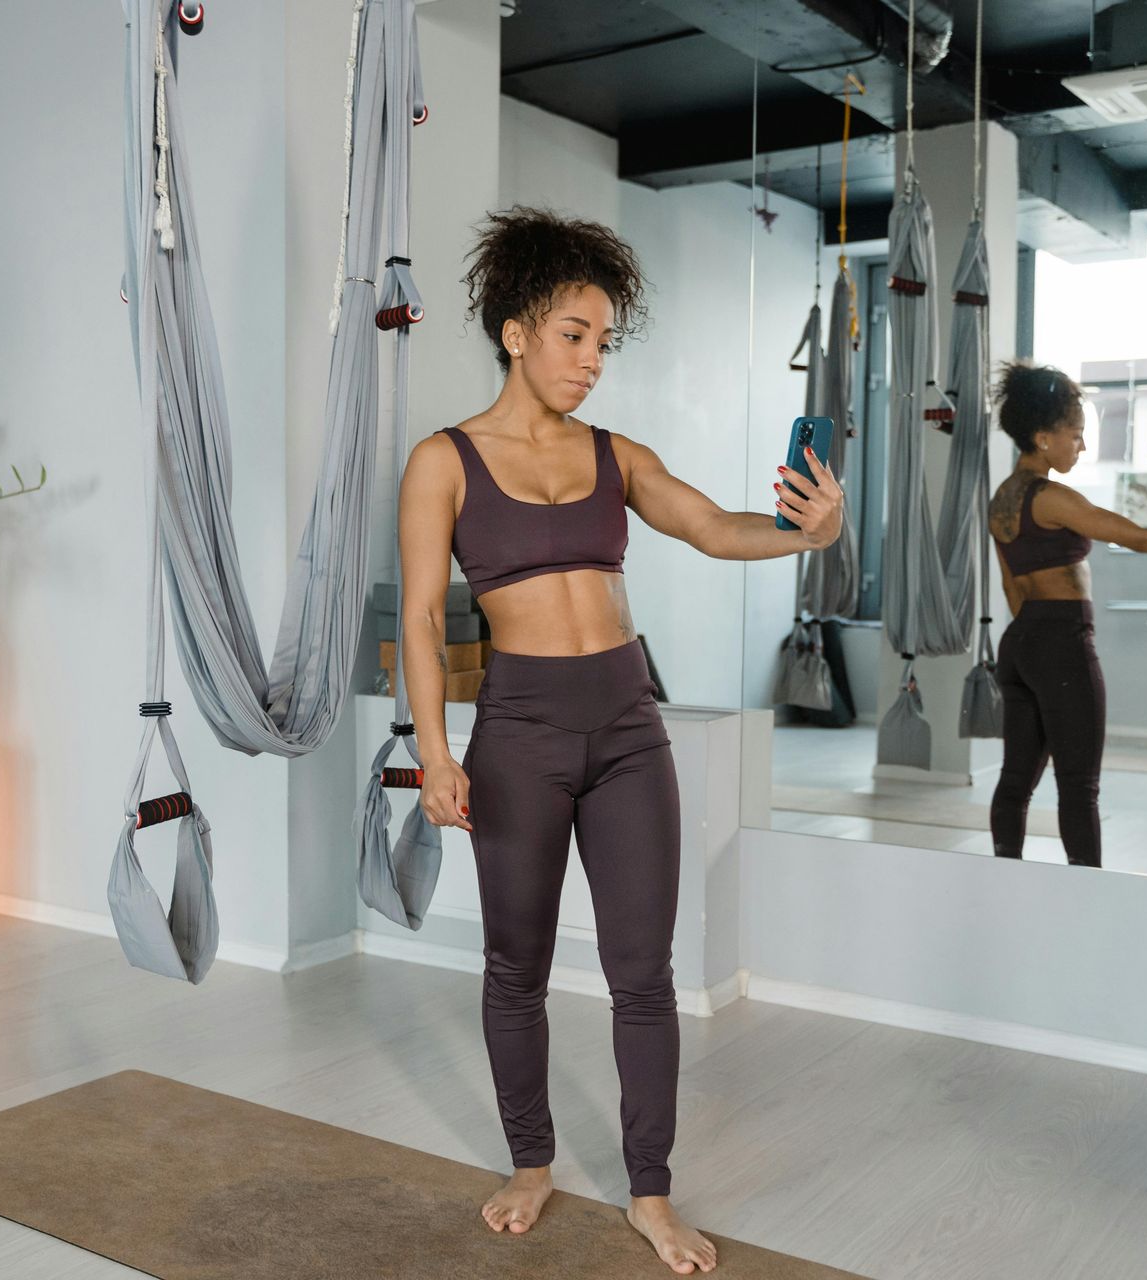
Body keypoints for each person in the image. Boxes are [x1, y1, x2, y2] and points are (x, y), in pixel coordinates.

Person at [396, 206, 843, 1276]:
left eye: (605, 341)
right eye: (574, 335)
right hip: (518, 732)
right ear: (516, 330)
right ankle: (531, 1161)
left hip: (629, 726)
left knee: (644, 972)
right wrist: (435, 750)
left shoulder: (616, 455)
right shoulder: (442, 461)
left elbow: (713, 526)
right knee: (519, 965)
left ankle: (650, 1189)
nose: (593, 360)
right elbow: (419, 616)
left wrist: (803, 531)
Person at [986, 362, 1147, 868]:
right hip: (1060, 639)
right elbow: (1139, 537)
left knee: (1016, 780)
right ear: (1043, 437)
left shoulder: (1002, 497)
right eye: (1075, 435)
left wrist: (1035, 637)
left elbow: (1009, 582)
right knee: (1079, 785)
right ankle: (1089, 893)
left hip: (1020, 642)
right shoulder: (1052, 497)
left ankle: (1002, 874)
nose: (1081, 447)